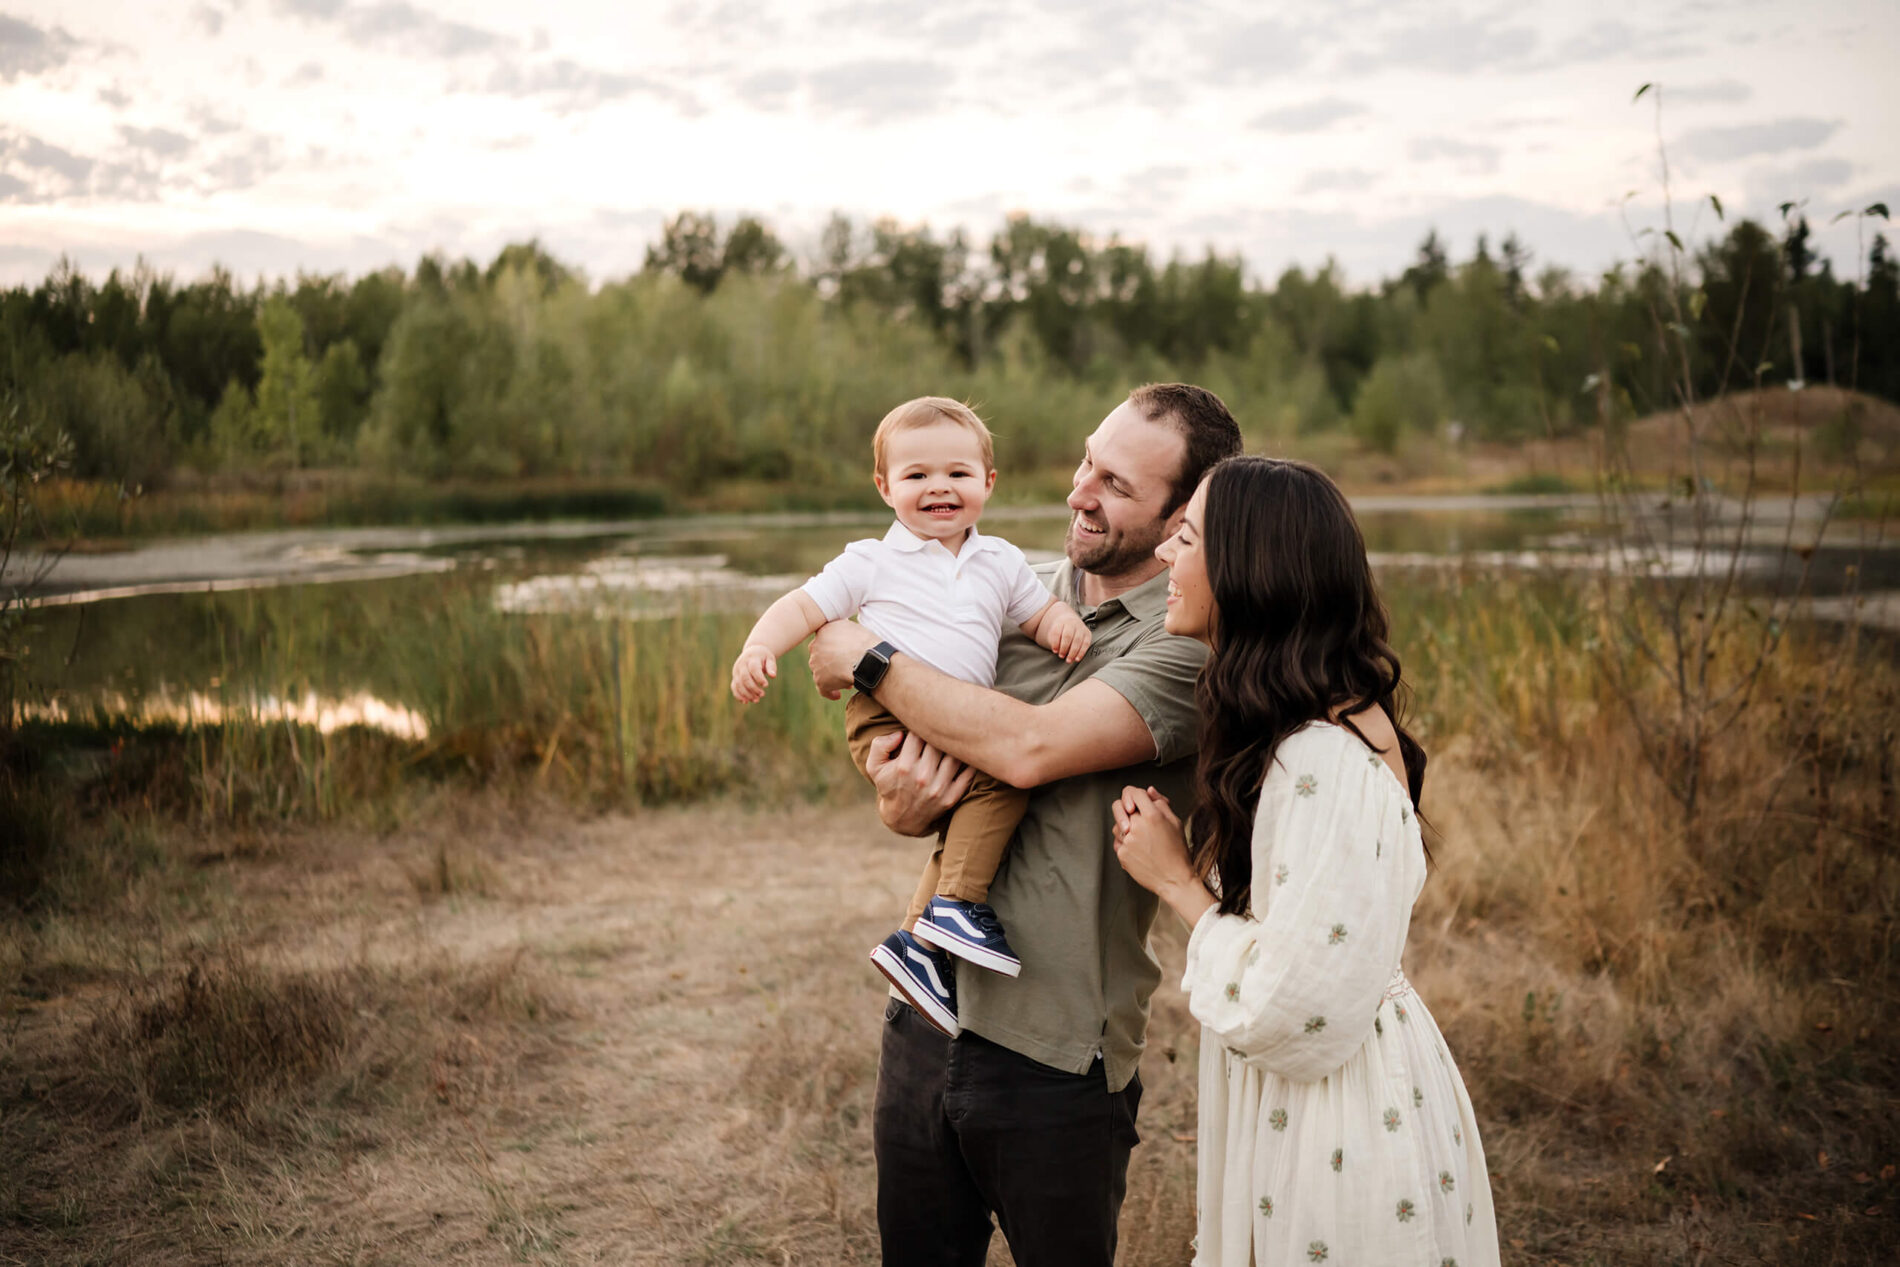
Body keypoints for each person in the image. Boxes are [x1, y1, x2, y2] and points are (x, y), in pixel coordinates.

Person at [806, 383, 1244, 1267]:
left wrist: (865, 653)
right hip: (925, 1008)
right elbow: (917, 751)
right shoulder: (1003, 589)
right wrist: (897, 798)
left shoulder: (1193, 647)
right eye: (1089, 459)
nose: (1081, 490)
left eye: (1118, 484)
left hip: (1057, 1048)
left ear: (1183, 513)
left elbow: (1029, 749)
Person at [1111, 456, 1501, 1266]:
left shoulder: (1318, 758)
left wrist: (1177, 881)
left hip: (1341, 1117)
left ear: (1248, 570)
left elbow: (1293, 1010)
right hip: (1329, 1088)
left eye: (1184, 538)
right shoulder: (1317, 726)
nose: (1163, 559)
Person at [730, 397, 1092, 1031]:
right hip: (888, 718)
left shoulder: (1002, 561)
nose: (938, 488)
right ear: (884, 487)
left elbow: (1037, 613)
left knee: (997, 781)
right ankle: (953, 909)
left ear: (988, 482)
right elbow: (803, 607)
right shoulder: (870, 560)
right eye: (916, 475)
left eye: (957, 472)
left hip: (959, 722)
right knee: (1007, 773)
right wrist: (760, 646)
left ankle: (920, 945)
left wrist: (1062, 624)